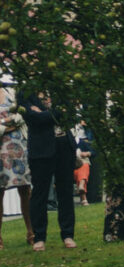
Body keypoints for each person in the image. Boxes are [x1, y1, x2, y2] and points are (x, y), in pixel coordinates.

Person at [22, 93, 77, 251]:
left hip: (64, 145)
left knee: (65, 191)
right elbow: (32, 118)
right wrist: (55, 113)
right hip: (41, 149)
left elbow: (70, 114)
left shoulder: (57, 86)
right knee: (40, 193)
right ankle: (39, 237)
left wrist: (43, 114)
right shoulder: (26, 92)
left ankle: (68, 234)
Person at [0, 78, 34, 249]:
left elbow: (21, 115)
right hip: (0, 150)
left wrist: (11, 123)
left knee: (25, 189)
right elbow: (12, 121)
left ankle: (31, 231)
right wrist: (7, 125)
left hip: (18, 148)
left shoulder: (10, 93)